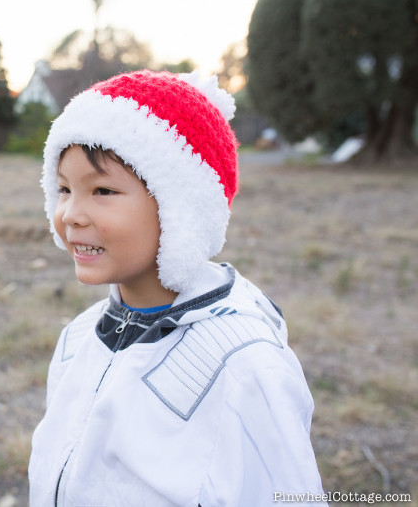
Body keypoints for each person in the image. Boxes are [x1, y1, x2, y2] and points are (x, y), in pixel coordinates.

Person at [28, 70, 326, 506]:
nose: (71, 213)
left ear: (180, 208)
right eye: (64, 189)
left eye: (103, 190)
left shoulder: (244, 367)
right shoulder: (78, 339)